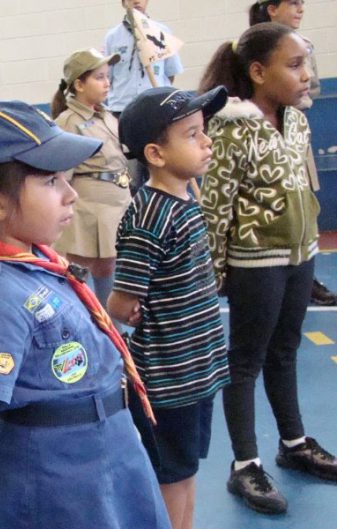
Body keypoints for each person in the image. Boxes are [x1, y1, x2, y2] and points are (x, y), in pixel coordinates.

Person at [0, 100, 171, 529]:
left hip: (106, 452)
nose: (71, 192)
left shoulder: (39, 261)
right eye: (50, 181)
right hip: (54, 479)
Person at [198, 22, 337, 515]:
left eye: (306, 64)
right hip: (255, 264)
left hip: (300, 256)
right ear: (258, 72)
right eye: (294, 65)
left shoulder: (296, 122)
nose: (306, 76)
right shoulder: (230, 128)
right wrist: (212, 277)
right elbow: (215, 208)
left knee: (285, 351)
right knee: (245, 361)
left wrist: (310, 245)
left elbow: (301, 185)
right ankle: (244, 465)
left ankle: (293, 444)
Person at [107, 86, 231, 529]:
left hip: (196, 370)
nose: (207, 142)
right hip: (168, 378)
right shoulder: (149, 216)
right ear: (156, 154)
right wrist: (139, 310)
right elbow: (121, 303)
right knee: (170, 477)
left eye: (204, 132)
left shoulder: (184, 198)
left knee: (186, 471)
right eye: (193, 134)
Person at [248, 0, 336, 306]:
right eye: (293, 3)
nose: (300, 9)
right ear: (272, 9)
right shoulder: (253, 47)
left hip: (296, 130)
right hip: (266, 138)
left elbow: (312, 91)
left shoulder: (305, 44)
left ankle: (304, 275)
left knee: (305, 202)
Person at [50, 48, 131, 316]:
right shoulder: (68, 122)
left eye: (107, 76)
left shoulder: (107, 116)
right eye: (99, 77)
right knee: (77, 272)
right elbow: (60, 176)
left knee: (108, 269)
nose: (107, 83)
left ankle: (112, 332)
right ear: (79, 84)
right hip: (88, 210)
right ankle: (80, 325)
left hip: (116, 204)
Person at [104, 0, 183, 195]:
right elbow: (108, 77)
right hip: (122, 110)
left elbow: (170, 73)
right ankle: (131, 207)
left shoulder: (160, 31)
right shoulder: (112, 37)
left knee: (156, 163)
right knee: (128, 168)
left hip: (155, 111)